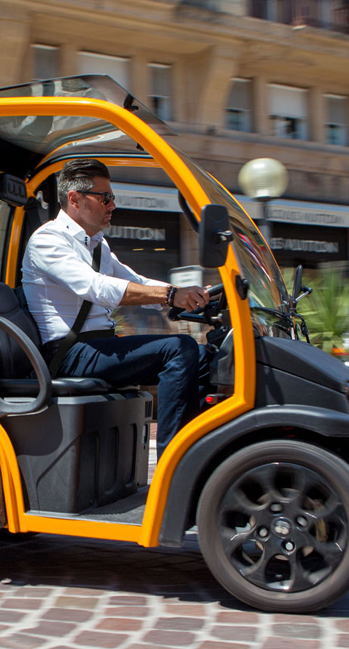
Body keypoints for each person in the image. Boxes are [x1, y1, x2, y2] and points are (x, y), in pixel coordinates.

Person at [22, 159, 213, 452]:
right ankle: (174, 463)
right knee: (179, 348)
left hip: (99, 347)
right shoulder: (48, 240)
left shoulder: (97, 244)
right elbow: (97, 288)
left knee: (200, 356)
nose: (112, 205)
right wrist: (169, 295)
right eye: (105, 198)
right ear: (75, 198)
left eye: (112, 198)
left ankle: (193, 448)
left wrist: (190, 295)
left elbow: (136, 281)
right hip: (70, 353)